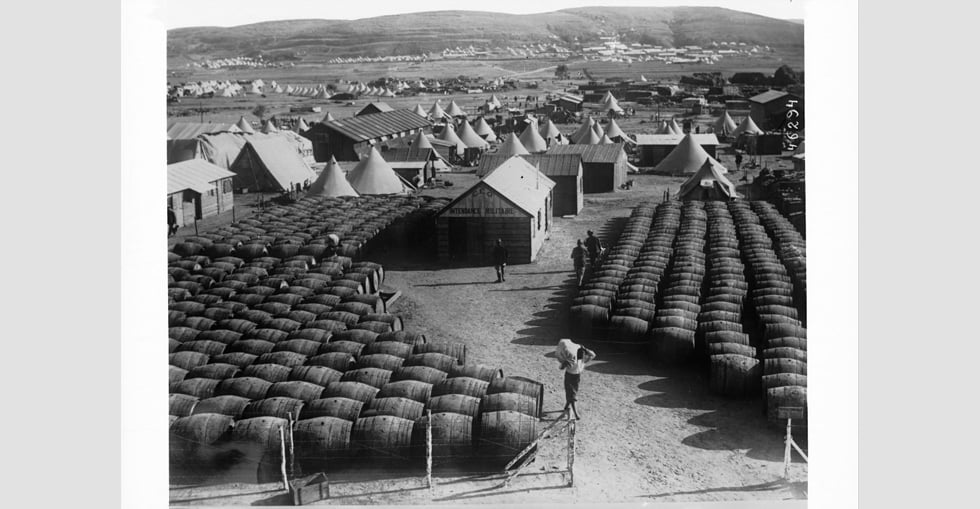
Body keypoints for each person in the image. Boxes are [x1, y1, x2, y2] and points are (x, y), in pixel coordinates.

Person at [558, 342, 596, 420]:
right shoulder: (579, 360)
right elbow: (561, 367)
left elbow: (593, 354)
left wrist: (585, 349)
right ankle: (576, 414)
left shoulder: (581, 360)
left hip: (576, 378)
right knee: (572, 395)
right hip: (570, 377)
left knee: (571, 394)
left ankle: (566, 407)